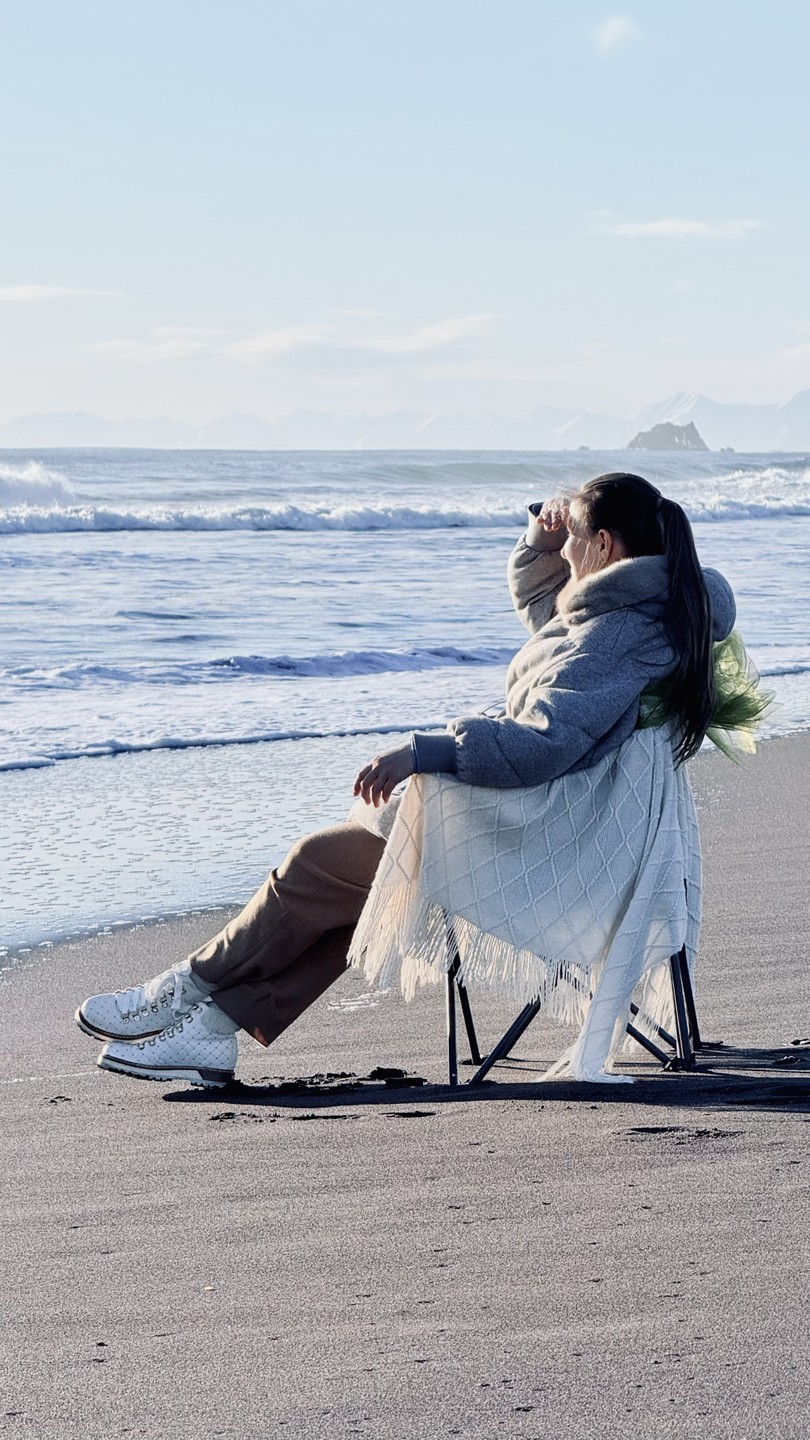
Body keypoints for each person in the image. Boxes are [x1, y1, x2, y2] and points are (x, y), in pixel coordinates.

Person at [75, 472, 738, 1087]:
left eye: (570, 542)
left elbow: (545, 743)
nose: (561, 553)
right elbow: (551, 618)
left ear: (602, 544)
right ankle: (213, 1028)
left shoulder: (614, 637)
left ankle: (186, 990)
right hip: (573, 830)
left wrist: (426, 751)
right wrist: (539, 540)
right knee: (354, 886)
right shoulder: (643, 615)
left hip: (547, 851)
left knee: (315, 862)